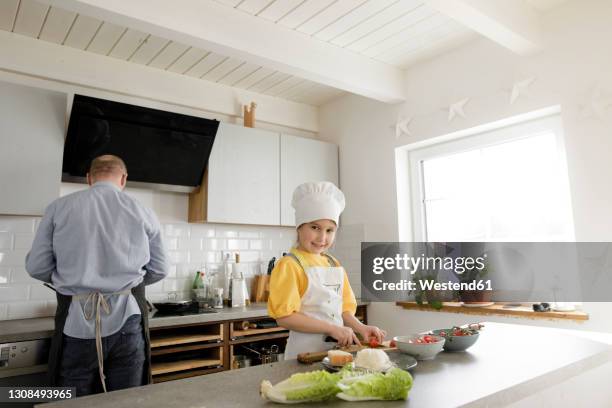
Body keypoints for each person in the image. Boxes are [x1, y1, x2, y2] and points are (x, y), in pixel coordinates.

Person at [25, 154, 168, 396]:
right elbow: (160, 269)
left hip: (75, 321)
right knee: (127, 400)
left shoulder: (58, 208)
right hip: (128, 320)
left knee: (73, 400)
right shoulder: (143, 211)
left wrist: (70, 281)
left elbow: (37, 267)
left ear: (89, 178)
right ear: (123, 178)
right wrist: (123, 286)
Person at [267, 181, 386, 359]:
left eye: (329, 230)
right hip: (303, 355)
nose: (322, 238)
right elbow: (284, 317)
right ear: (299, 227)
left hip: (335, 354)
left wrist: (361, 328)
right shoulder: (289, 264)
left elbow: (343, 310)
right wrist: (332, 329)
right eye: (315, 228)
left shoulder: (332, 263)